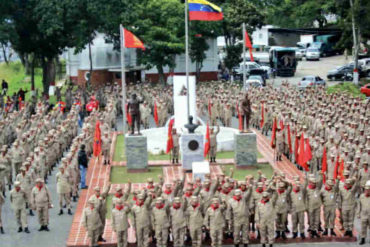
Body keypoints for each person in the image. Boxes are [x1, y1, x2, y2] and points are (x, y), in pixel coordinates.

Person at [357, 181, 370, 245]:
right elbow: (359, 205)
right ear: (364, 190)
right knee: (363, 227)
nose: (367, 191)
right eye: (366, 190)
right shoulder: (361, 196)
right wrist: (358, 213)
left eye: (369, 190)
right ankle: (363, 239)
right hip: (363, 214)